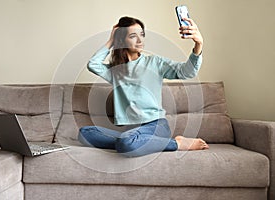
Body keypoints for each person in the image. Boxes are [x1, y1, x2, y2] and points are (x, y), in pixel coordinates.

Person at [78, 16, 209, 157]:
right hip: (130, 130)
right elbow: (93, 64)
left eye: (142, 34)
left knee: (126, 142)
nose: (140, 40)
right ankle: (136, 142)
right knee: (85, 133)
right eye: (133, 36)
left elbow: (186, 72)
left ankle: (175, 143)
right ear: (122, 40)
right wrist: (111, 40)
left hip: (155, 126)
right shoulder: (116, 71)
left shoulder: (155, 63)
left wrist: (198, 45)